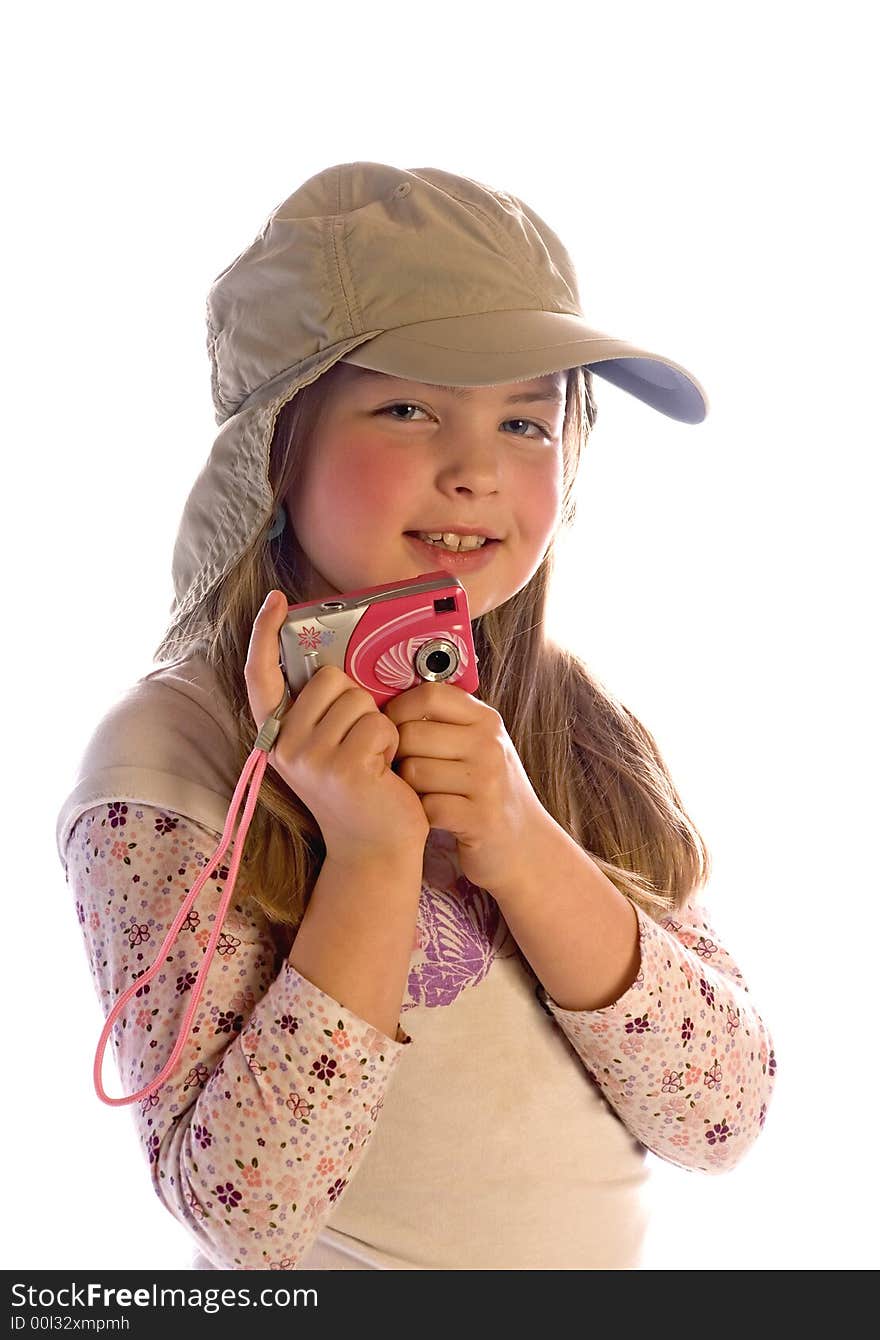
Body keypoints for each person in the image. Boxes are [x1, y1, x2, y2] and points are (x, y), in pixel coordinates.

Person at [55, 161, 777, 1272]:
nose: (476, 470)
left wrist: (524, 841)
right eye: (407, 407)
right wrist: (372, 854)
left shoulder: (572, 724)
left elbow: (720, 1117)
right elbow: (248, 1215)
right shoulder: (170, 755)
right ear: (273, 450)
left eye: (530, 424)